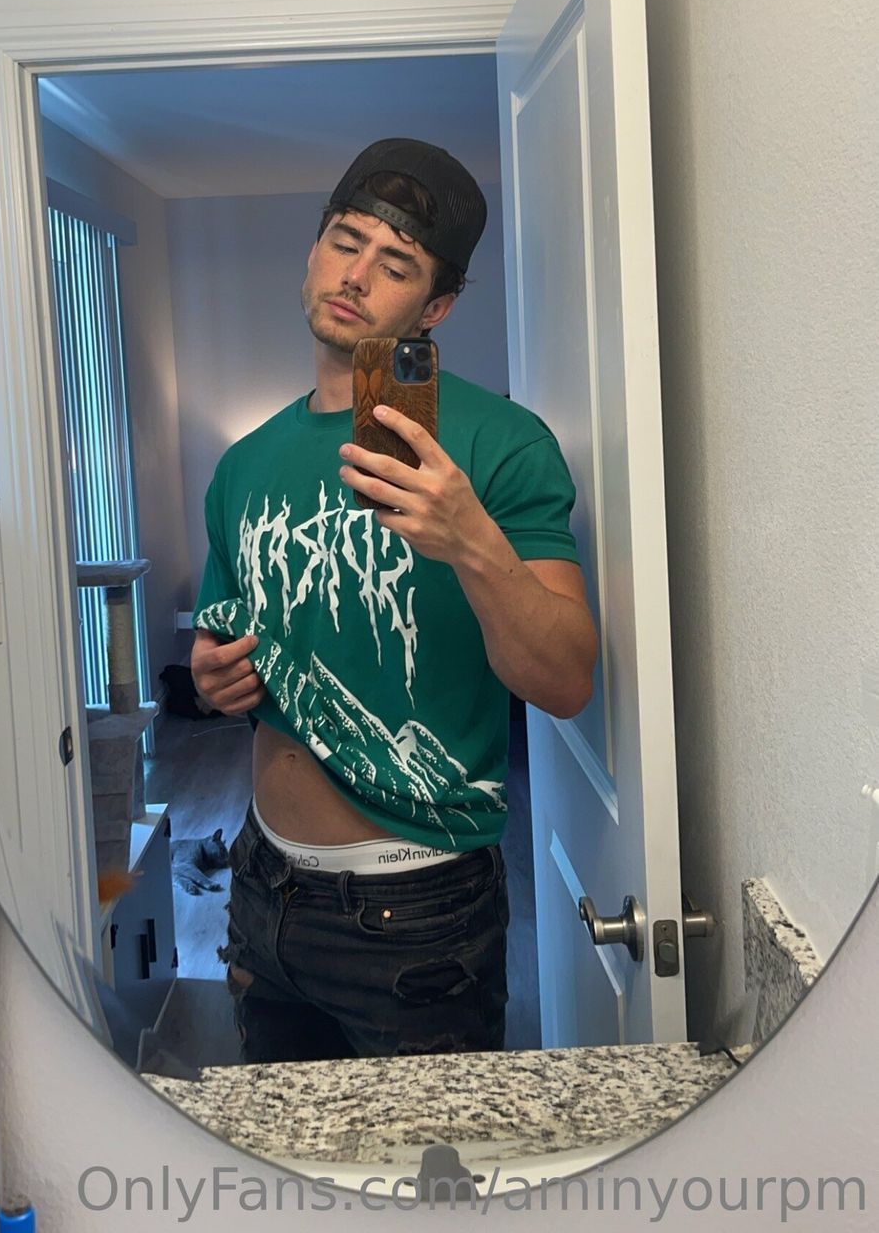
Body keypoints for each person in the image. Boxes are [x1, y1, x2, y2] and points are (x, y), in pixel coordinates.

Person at [191, 136, 598, 1063]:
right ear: (313, 252)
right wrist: (214, 680)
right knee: (282, 1148)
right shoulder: (243, 462)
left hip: (415, 909)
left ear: (435, 307)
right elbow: (224, 652)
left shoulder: (500, 444)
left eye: (397, 264)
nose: (356, 275)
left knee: (429, 1157)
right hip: (260, 885)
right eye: (345, 242)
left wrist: (468, 538)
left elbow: (565, 681)